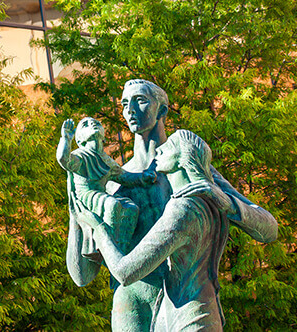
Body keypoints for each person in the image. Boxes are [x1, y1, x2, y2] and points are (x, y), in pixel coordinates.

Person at [64, 79, 278, 331]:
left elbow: (269, 229)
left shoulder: (186, 167)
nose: (130, 110)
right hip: (131, 303)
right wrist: (75, 203)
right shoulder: (111, 181)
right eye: (124, 104)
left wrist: (226, 201)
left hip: (185, 301)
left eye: (140, 101)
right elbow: (81, 276)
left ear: (162, 110)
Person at [73, 130, 232, 331]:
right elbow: (82, 276)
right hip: (202, 312)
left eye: (169, 146)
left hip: (186, 317)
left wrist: (98, 228)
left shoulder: (181, 209)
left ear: (182, 159)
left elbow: (124, 272)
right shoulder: (209, 203)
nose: (161, 148)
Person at [57, 117, 154, 266]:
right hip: (87, 197)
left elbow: (124, 177)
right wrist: (66, 139)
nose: (92, 124)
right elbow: (64, 160)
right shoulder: (81, 156)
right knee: (112, 205)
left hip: (101, 195)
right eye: (86, 124)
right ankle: (103, 247)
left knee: (132, 208)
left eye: (96, 122)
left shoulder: (105, 159)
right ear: (80, 139)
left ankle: (122, 246)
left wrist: (143, 177)